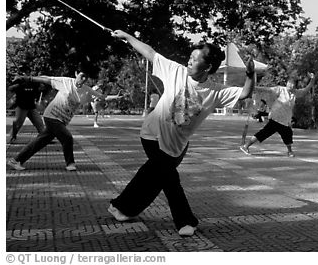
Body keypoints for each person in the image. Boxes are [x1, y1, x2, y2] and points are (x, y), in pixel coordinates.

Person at [107, 30, 255, 237]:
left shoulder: (216, 91)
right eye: (190, 57)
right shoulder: (175, 70)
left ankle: (120, 207)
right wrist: (127, 37)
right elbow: (149, 52)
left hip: (178, 145)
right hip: (152, 135)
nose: (189, 61)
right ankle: (185, 221)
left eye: (195, 59)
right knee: (169, 179)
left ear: (208, 67)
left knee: (152, 177)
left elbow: (245, 93)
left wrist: (250, 74)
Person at [7, 70, 106, 172]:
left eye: (86, 77)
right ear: (76, 74)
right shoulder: (66, 82)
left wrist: (116, 97)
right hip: (52, 116)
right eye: (82, 76)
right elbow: (47, 79)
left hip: (62, 120)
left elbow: (101, 97)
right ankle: (70, 164)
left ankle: (16, 160)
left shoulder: (86, 90)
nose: (84, 79)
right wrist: (28, 78)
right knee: (67, 138)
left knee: (39, 142)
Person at [240, 72, 315, 158]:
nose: (290, 86)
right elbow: (267, 90)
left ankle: (289, 151)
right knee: (264, 133)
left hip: (285, 120)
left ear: (295, 86)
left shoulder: (295, 93)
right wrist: (253, 88)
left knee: (288, 135)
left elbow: (306, 90)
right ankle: (246, 146)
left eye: (292, 84)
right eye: (289, 84)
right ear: (287, 83)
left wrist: (312, 80)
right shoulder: (280, 89)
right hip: (275, 118)